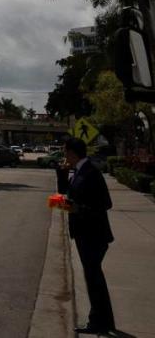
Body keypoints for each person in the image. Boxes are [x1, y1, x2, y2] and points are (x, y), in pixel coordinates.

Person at [63, 137, 115, 335]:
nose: (64, 155)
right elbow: (69, 195)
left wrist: (79, 208)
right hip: (84, 234)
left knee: (94, 279)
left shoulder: (91, 172)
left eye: (65, 151)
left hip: (94, 235)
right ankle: (105, 320)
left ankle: (98, 322)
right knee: (94, 278)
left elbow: (105, 204)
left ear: (74, 153)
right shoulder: (78, 171)